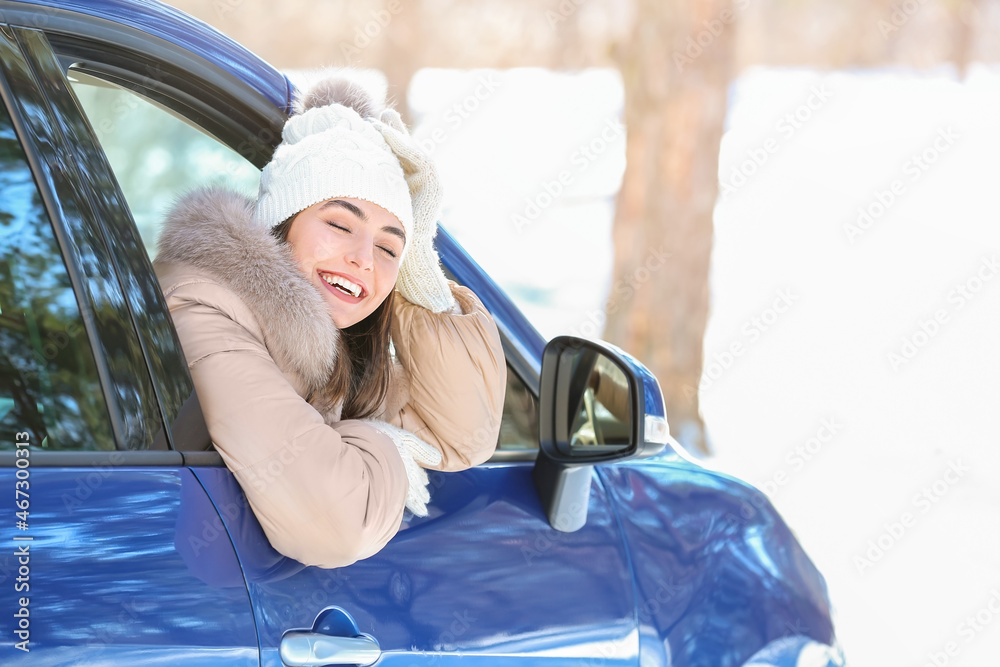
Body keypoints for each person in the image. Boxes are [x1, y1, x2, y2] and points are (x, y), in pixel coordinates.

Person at [153, 75, 507, 569]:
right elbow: (340, 525)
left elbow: (463, 436)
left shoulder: (338, 354)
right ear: (281, 222)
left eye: (389, 248)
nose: (364, 259)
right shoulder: (204, 306)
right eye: (340, 224)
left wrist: (421, 274)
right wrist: (385, 442)